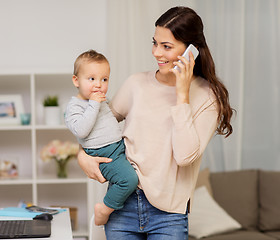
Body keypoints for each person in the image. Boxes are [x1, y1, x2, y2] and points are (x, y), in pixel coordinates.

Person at [77, 6, 234, 239]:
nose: (156, 53)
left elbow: (184, 156)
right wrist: (82, 156)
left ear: (192, 50)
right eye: (155, 43)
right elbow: (94, 127)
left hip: (169, 215)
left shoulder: (208, 97)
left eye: (166, 46)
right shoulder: (136, 84)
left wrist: (182, 96)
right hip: (122, 206)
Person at [65, 50, 138, 226]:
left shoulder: (100, 100)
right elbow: (81, 131)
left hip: (117, 146)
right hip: (103, 152)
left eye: (104, 79)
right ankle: (104, 209)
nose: (99, 84)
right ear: (76, 81)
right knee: (129, 180)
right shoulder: (74, 106)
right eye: (91, 79)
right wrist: (94, 104)